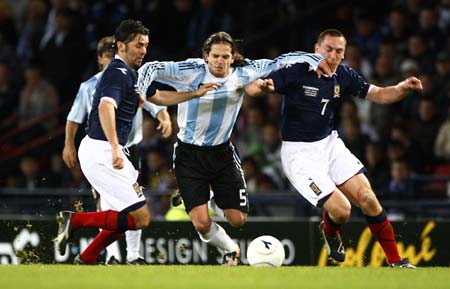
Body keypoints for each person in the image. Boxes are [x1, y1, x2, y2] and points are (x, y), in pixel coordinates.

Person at [137, 31, 332, 265]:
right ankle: (229, 249)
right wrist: (140, 88)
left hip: (222, 153)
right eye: (215, 56)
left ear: (233, 57)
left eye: (225, 56)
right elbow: (153, 67)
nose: (220, 61)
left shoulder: (245, 71)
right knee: (201, 223)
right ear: (206, 55)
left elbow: (280, 61)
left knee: (238, 219)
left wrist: (314, 59)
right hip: (189, 154)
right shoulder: (191, 71)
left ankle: (207, 200)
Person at [245, 29, 422, 268]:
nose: (333, 55)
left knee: (369, 199)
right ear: (316, 50)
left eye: (339, 51)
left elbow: (379, 94)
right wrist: (263, 88)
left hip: (329, 144)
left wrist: (401, 87)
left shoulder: (343, 75)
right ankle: (330, 231)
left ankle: (396, 261)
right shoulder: (297, 70)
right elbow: (252, 88)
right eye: (328, 49)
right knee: (342, 210)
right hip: (299, 154)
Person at [53, 19, 219, 264]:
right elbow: (105, 107)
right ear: (121, 46)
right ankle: (75, 221)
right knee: (140, 218)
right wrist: (113, 147)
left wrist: (194, 93)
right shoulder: (117, 73)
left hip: (105, 150)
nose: (143, 50)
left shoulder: (131, 75)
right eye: (138, 45)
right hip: (103, 151)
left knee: (127, 216)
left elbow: (159, 96)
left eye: (146, 45)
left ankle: (86, 257)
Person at [61, 35, 171, 265]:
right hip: (108, 152)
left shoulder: (133, 78)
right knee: (121, 208)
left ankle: (125, 255)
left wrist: (163, 115)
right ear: (100, 59)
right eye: (109, 56)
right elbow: (76, 117)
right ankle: (110, 254)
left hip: (130, 149)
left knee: (129, 209)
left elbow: (152, 100)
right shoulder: (90, 86)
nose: (114, 59)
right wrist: (68, 143)